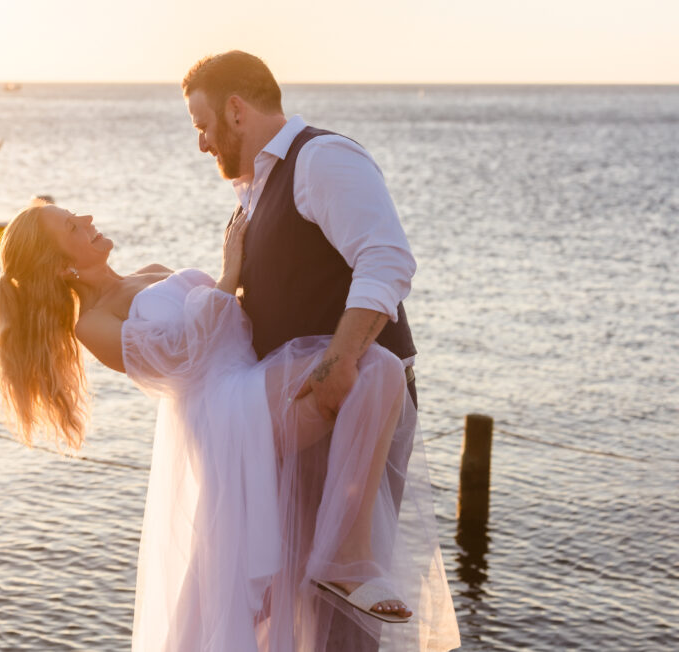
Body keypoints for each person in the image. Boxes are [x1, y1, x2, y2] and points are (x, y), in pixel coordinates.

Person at [0, 204, 459, 651]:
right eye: (72, 225)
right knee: (375, 368)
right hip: (226, 410)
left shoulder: (148, 271)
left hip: (254, 384)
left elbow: (230, 316)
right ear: (61, 267)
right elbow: (179, 354)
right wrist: (230, 269)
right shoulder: (91, 323)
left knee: (379, 370)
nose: (86, 218)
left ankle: (346, 555)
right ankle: (345, 561)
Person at [183, 51, 459, 650]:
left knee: (343, 603)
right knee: (293, 594)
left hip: (356, 398)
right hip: (299, 409)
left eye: (202, 124)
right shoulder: (252, 194)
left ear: (236, 110)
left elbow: (386, 259)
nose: (201, 141)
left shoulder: (322, 159)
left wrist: (339, 363)